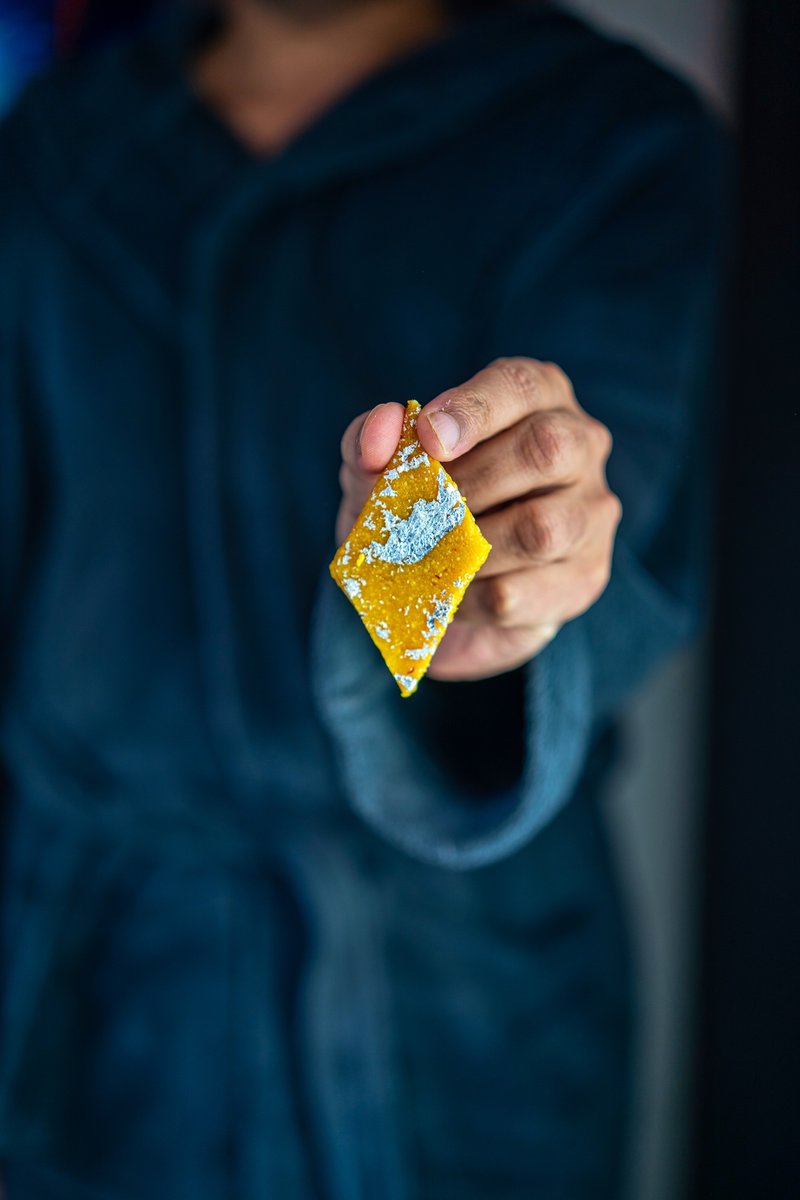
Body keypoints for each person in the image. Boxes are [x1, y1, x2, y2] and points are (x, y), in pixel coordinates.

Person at [0, 0, 724, 1196]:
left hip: (444, 1002)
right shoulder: (59, 150)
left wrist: (457, 614)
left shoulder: (607, 137)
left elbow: (591, 517)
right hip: (94, 985)